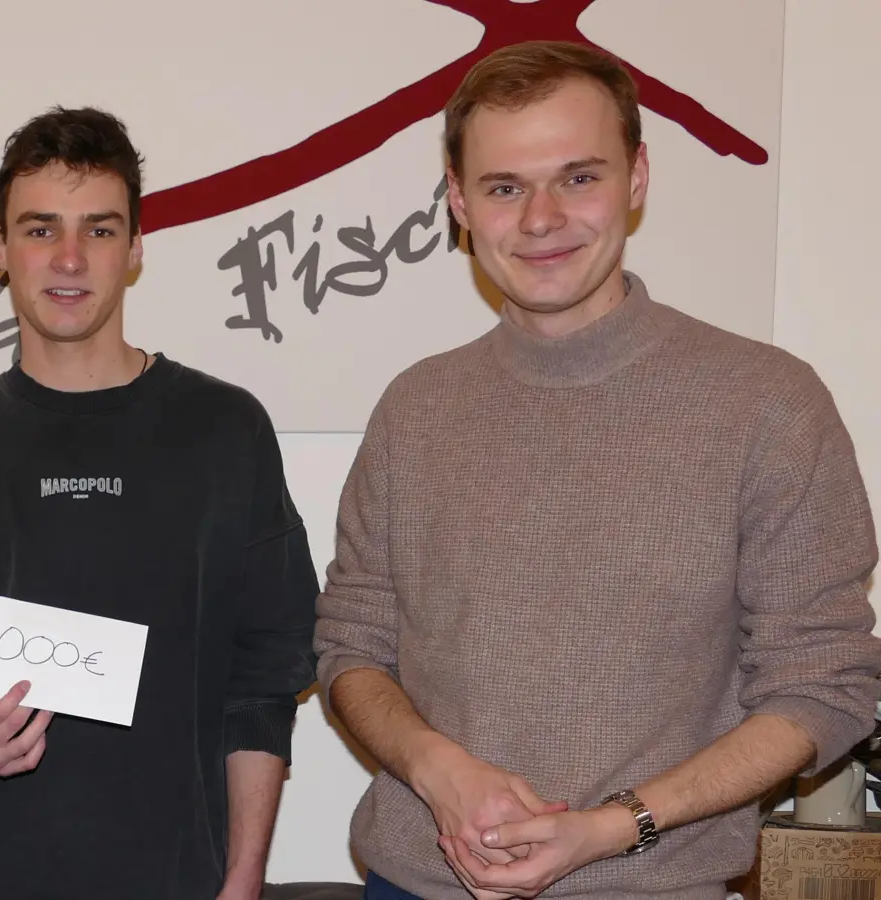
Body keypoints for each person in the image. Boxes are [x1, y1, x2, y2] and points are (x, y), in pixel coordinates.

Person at [314, 40, 881, 900]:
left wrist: (616, 826)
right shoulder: (415, 409)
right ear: (461, 202)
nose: (541, 219)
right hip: (413, 883)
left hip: (660, 887)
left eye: (579, 177)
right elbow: (352, 644)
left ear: (638, 178)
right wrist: (439, 772)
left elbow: (825, 684)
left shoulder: (768, 404)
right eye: (505, 188)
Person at [0, 106, 319, 900]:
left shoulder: (225, 431)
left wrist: (243, 878)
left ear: (136, 248)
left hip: (178, 880)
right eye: (40, 230)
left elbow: (264, 683)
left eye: (99, 231)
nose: (69, 259)